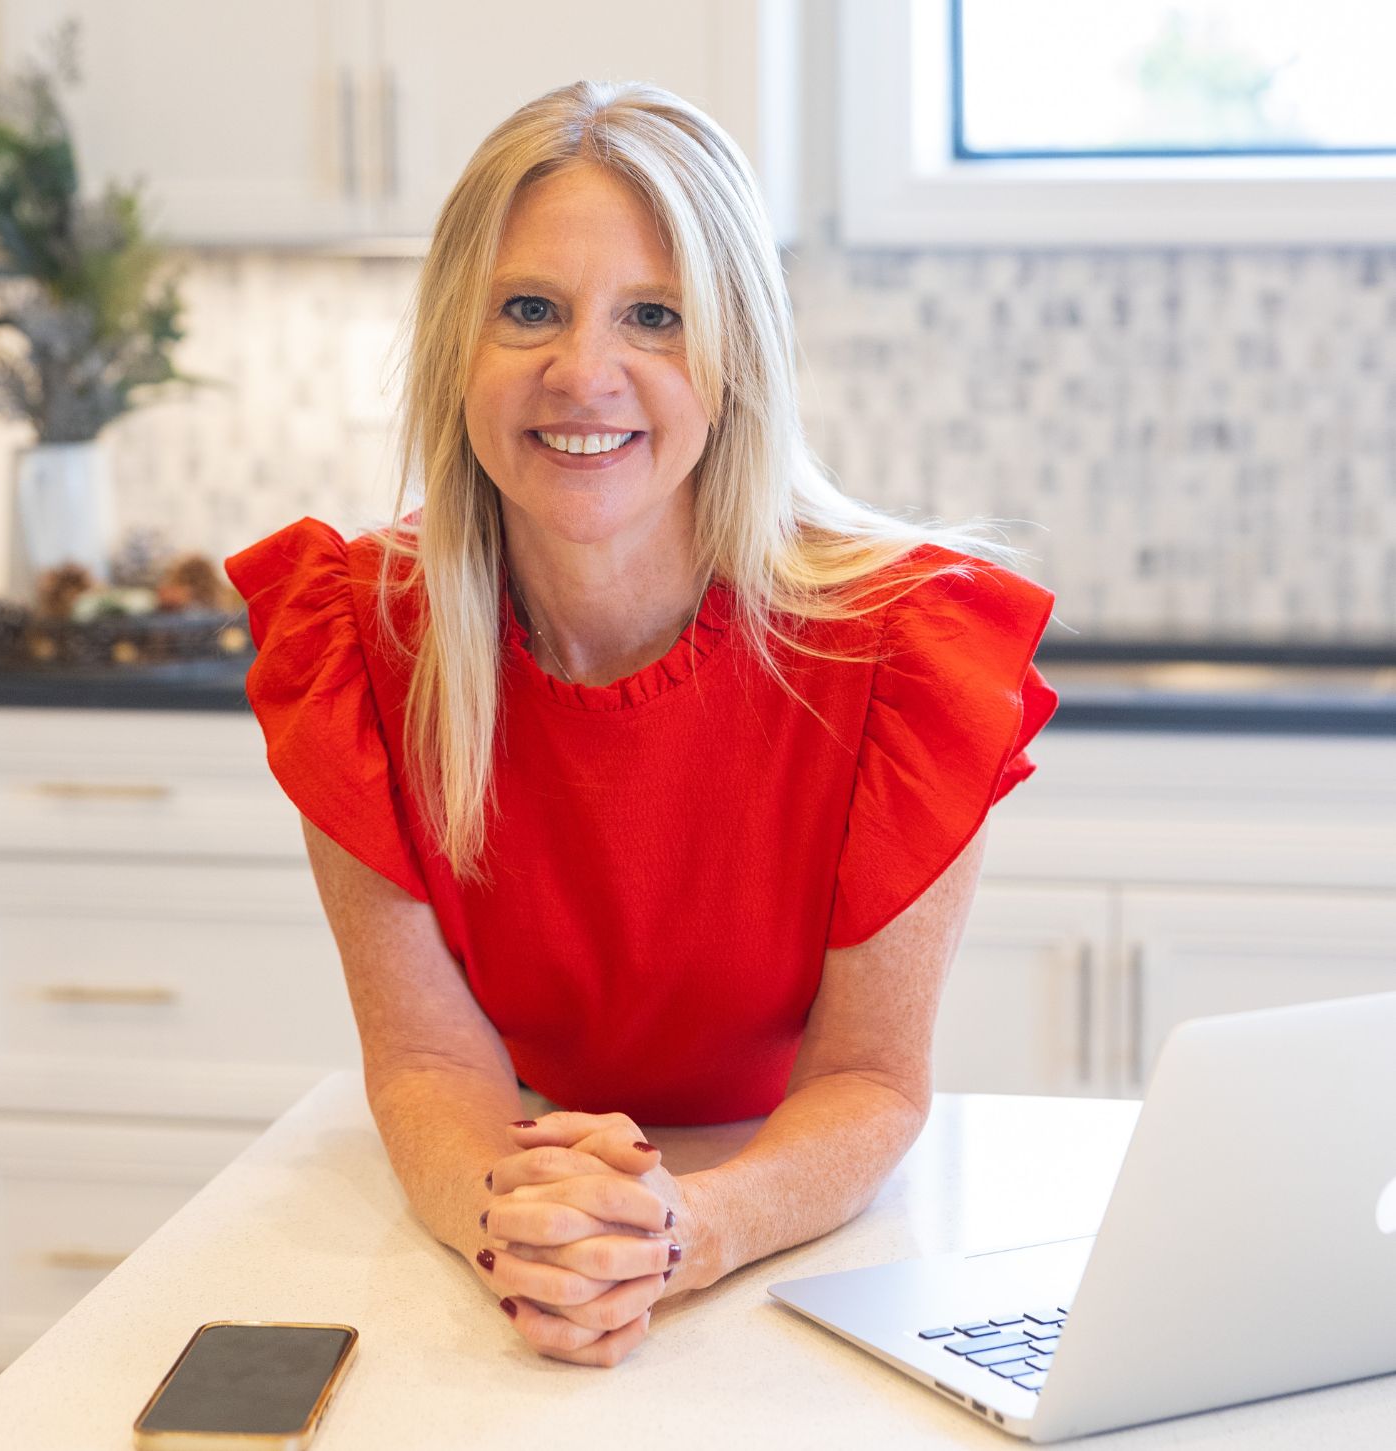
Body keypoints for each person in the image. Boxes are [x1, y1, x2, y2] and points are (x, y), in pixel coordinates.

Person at [224, 80, 1061, 1368]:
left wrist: (684, 1234)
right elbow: (429, 1067)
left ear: (736, 361)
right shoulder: (355, 638)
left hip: (794, 1227)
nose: (582, 374)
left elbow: (869, 1083)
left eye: (654, 317)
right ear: (456, 346)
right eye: (529, 310)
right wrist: (518, 1236)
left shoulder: (901, 650)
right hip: (518, 1181)